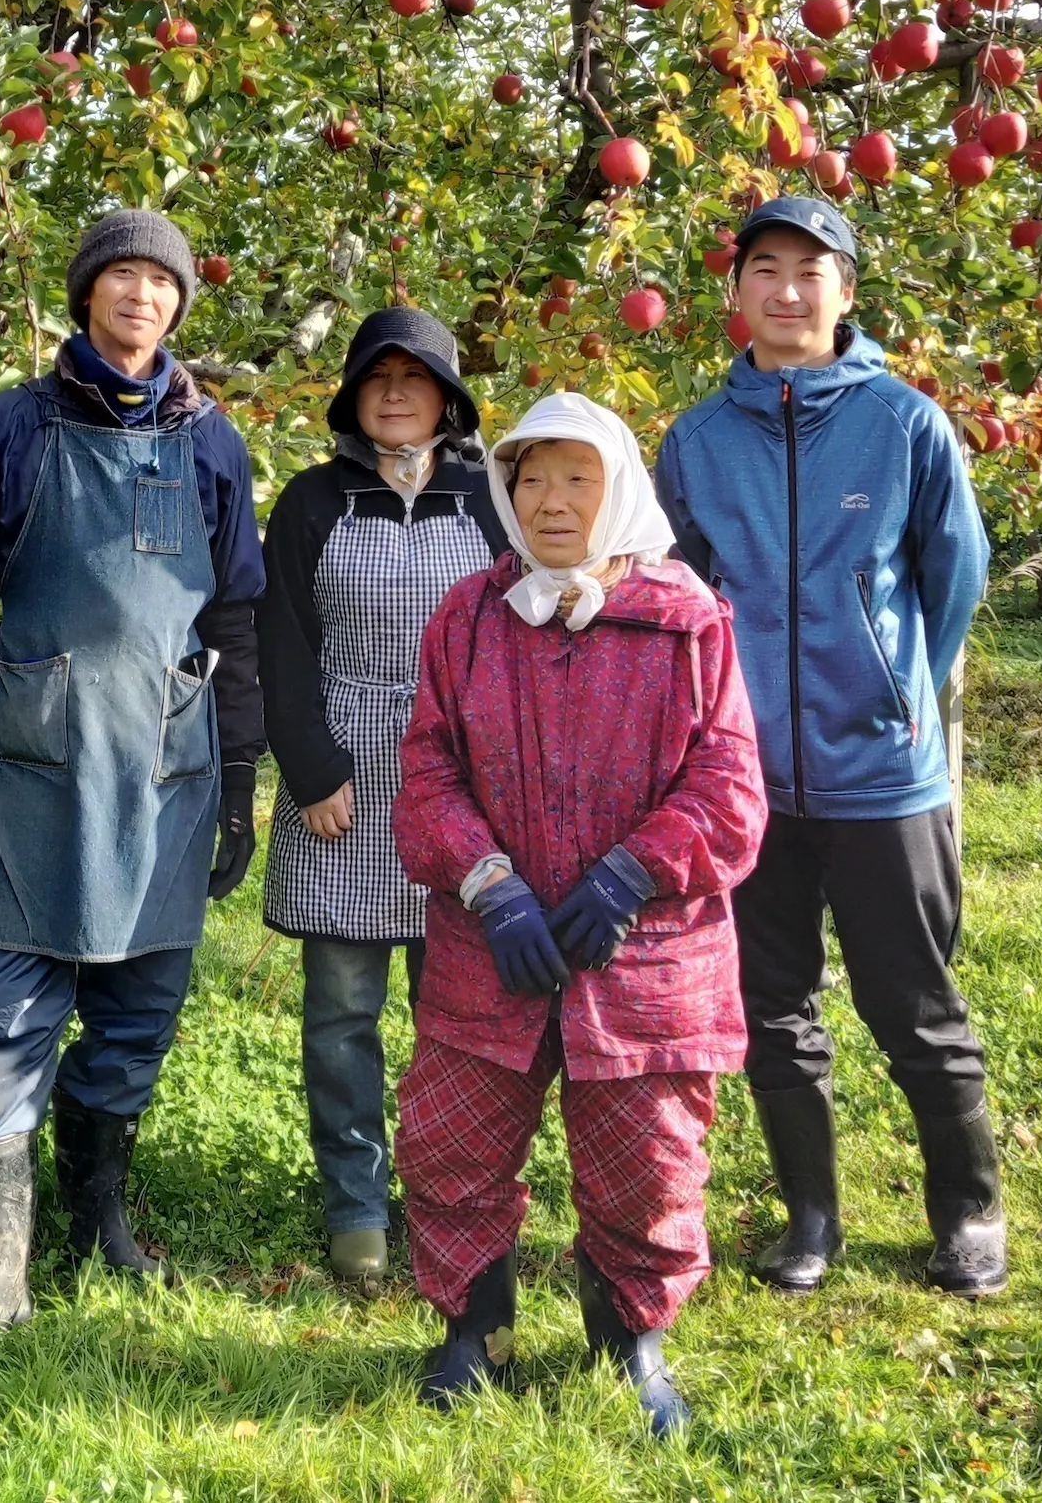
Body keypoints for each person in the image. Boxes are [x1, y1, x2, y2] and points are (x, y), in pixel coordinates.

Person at [0, 210, 269, 1325]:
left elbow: (235, 616)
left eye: (162, 280)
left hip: (169, 757)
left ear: (179, 304)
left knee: (142, 998)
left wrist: (237, 774)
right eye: (122, 275)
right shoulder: (9, 426)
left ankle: (98, 1215)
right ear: (87, 293)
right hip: (38, 756)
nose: (141, 295)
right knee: (11, 997)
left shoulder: (211, 441)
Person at [391, 391, 766, 1440]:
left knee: (648, 1157)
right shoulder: (469, 618)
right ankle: (475, 1332)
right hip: (492, 948)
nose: (552, 501)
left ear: (621, 489)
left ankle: (631, 1340)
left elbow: (729, 784)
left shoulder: (688, 621)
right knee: (452, 1140)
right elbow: (428, 772)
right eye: (531, 479)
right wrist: (490, 884)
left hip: (645, 958)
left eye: (578, 478)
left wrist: (631, 874)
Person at [648, 194, 1001, 1298]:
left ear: (845, 292)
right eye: (765, 269)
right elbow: (680, 594)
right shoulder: (698, 441)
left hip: (882, 772)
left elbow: (953, 577)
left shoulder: (904, 424)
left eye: (812, 271)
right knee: (770, 1005)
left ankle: (969, 1211)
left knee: (913, 1003)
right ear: (736, 292)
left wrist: (897, 692)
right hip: (747, 777)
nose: (788, 290)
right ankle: (812, 1217)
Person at [258, 310, 509, 1289]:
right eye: (377, 376)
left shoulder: (489, 496)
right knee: (342, 1009)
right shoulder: (315, 500)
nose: (396, 392)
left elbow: (521, 634)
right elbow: (281, 639)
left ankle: (450, 1189)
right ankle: (356, 1201)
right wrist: (312, 768)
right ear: (354, 395)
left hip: (462, 774)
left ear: (449, 397)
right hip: (347, 776)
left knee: (458, 1008)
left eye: (416, 376)